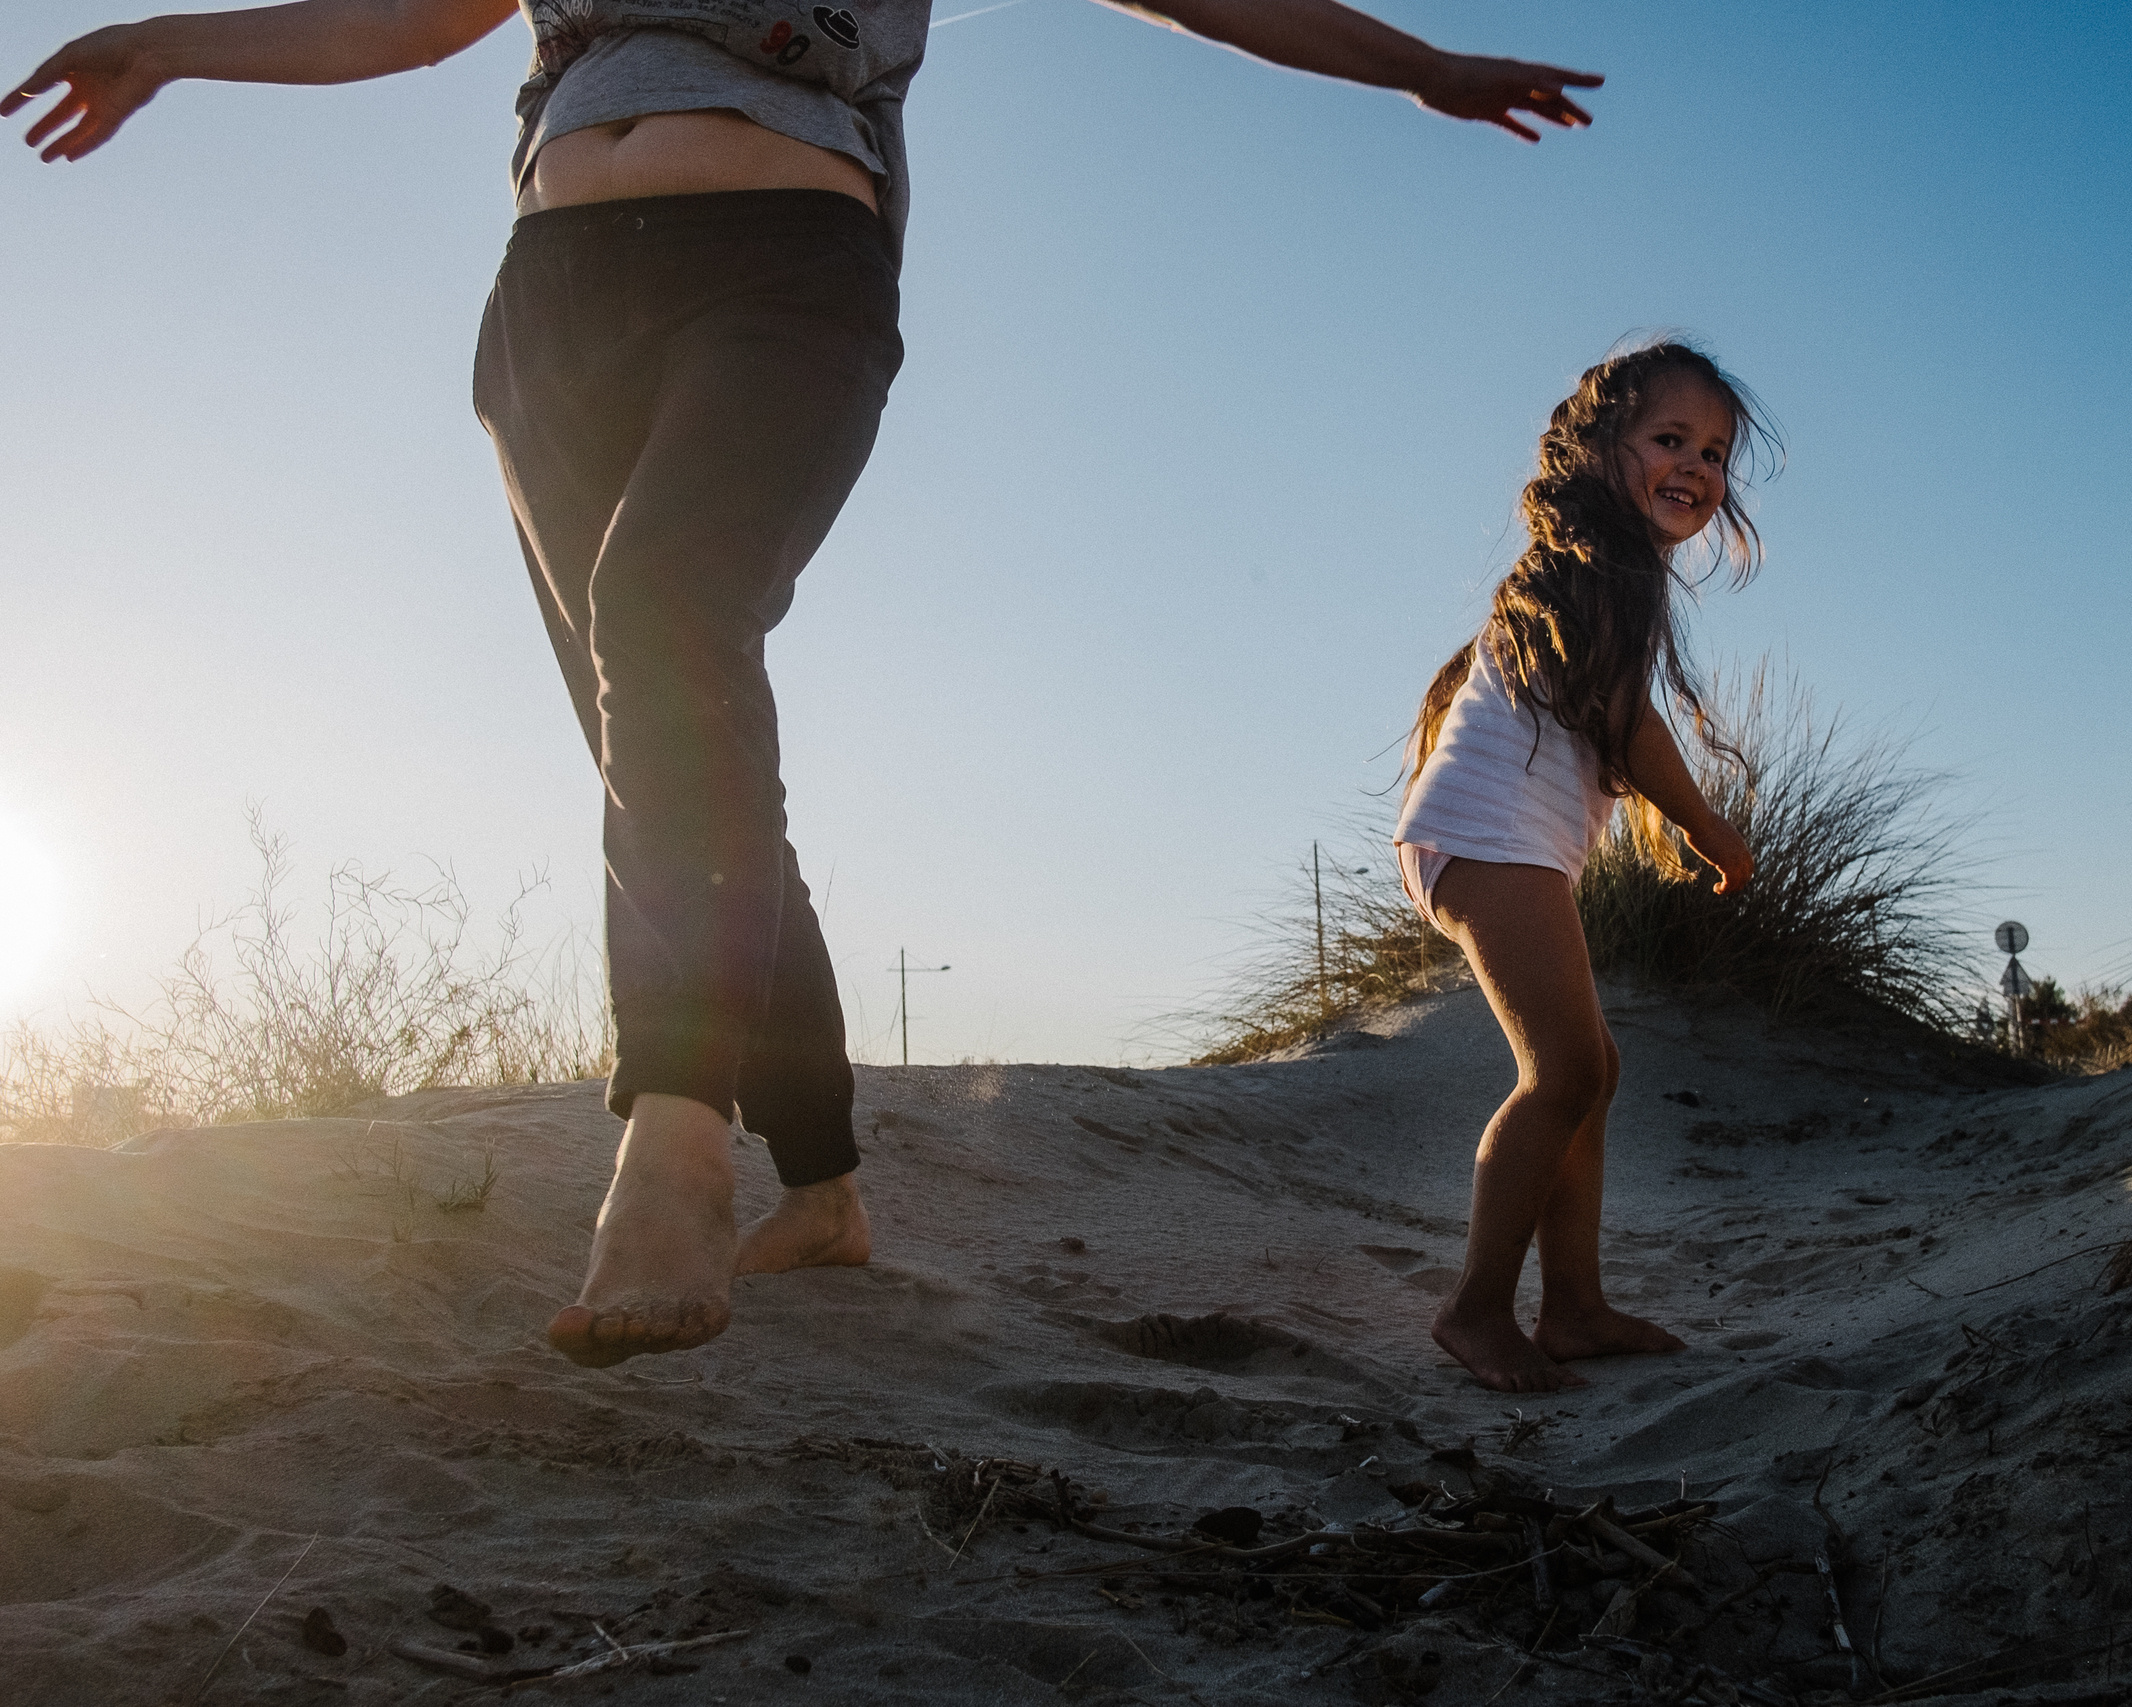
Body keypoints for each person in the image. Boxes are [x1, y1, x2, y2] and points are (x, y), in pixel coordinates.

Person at [7, 1, 1606, 1368]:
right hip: (552, 303)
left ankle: (675, 1124)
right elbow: (413, 18)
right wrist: (166, 43)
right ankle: (824, 1185)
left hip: (786, 270)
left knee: (665, 619)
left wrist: (1418, 66)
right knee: (663, 729)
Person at [1393, 339, 1765, 1393]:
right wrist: (1707, 825)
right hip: (1486, 834)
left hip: (1510, 839)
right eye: (1668, 439)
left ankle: (1573, 1308)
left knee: (1592, 1070)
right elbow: (1628, 722)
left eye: (1714, 453)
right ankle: (1475, 1309)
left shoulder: (1611, 569)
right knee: (1559, 1072)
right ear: (1599, 449)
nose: (1694, 466)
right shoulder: (1598, 565)